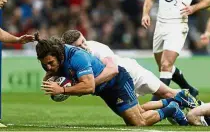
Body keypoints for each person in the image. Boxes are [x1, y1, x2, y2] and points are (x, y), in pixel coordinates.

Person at [34, 33, 189, 126]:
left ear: (58, 56)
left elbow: (88, 87)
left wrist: (62, 89)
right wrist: (50, 80)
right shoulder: (51, 57)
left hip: (117, 82)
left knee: (138, 122)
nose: (48, 67)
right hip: (105, 90)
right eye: (44, 64)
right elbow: (51, 73)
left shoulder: (77, 57)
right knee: (136, 115)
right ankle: (167, 102)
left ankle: (172, 108)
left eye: (50, 63)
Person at [141, 0, 210, 98]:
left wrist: (193, 8)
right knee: (162, 65)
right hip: (160, 25)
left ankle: (157, 102)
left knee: (166, 65)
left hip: (178, 25)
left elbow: (208, 0)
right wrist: (145, 14)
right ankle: (188, 88)